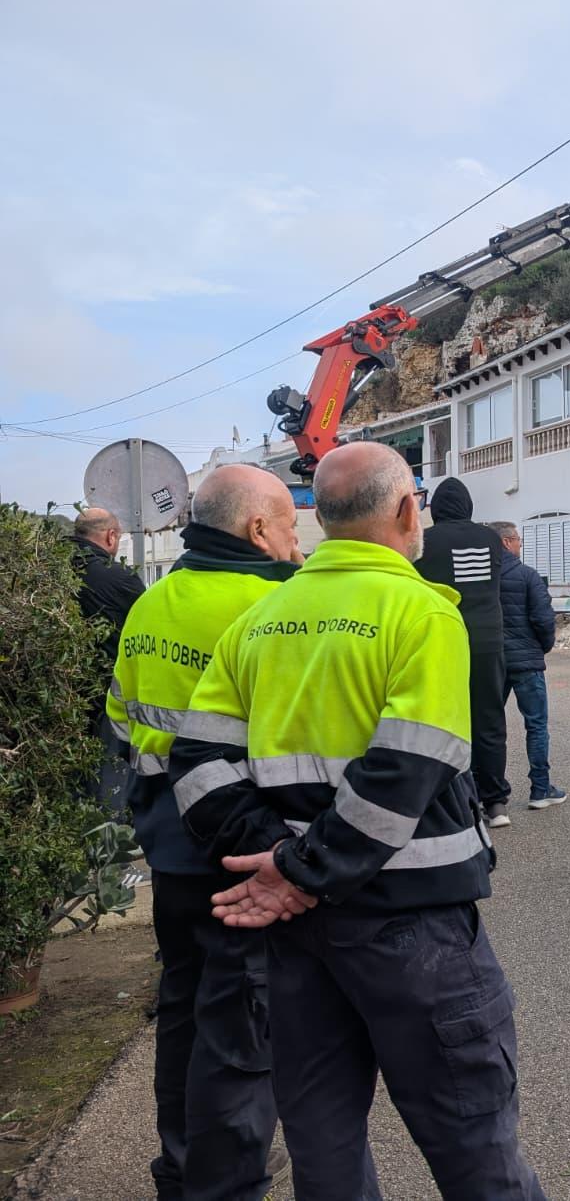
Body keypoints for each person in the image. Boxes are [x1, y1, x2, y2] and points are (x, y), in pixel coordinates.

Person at [169, 443, 543, 1201]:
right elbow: (407, 766)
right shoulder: (422, 613)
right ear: (407, 511)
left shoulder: (258, 620)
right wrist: (302, 871)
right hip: (412, 927)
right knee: (473, 1145)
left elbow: (198, 764)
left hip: (296, 940)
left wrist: (280, 862)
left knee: (324, 1148)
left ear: (322, 518)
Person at [106, 465, 299, 1201]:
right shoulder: (273, 605)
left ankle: (179, 1164)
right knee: (244, 1018)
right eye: (288, 525)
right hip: (241, 843)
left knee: (183, 1008)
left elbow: (120, 718)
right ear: (257, 528)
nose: (294, 541)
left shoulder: (152, 601)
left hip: (169, 843)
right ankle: (229, 1176)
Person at [415, 476, 513, 826]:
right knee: (490, 718)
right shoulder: (490, 538)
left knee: (445, 718)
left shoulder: (424, 541)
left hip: (445, 639)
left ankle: (456, 799)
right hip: (489, 640)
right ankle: (496, 801)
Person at [491, 521, 562, 819]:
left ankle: (491, 794)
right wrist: (542, 647)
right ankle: (540, 789)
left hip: (493, 662)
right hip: (527, 662)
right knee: (536, 725)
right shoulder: (528, 575)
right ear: (507, 542)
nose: (520, 544)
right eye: (518, 539)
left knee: (490, 728)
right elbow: (544, 619)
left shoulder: (483, 578)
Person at [70, 506, 147, 673]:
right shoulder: (122, 577)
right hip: (105, 679)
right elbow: (149, 626)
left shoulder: (48, 567)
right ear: (111, 536)